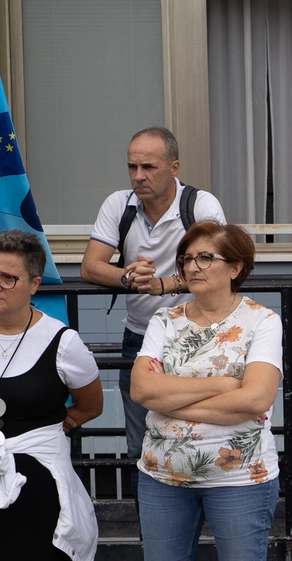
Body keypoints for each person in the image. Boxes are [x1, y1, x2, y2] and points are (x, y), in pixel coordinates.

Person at [129, 222, 280, 561]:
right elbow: (141, 389)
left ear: (235, 267)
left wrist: (169, 400)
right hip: (162, 475)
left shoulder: (263, 321)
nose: (192, 266)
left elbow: (256, 399)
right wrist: (223, 385)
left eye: (205, 258)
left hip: (239, 478)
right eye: (186, 258)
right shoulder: (164, 320)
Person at [81, 126, 225, 463]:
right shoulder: (120, 204)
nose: (138, 176)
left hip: (197, 337)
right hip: (141, 338)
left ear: (174, 168)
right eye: (132, 167)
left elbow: (218, 267)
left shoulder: (200, 204)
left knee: (199, 439)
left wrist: (165, 284)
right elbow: (90, 267)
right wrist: (127, 276)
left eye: (148, 167)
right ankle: (149, 516)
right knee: (140, 448)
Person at [0, 231, 103, 560]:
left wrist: (65, 422)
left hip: (36, 482)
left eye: (8, 278)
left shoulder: (62, 342)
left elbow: (91, 405)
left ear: (34, 284)